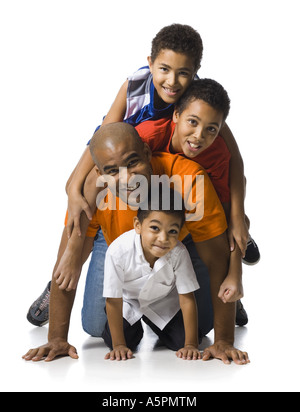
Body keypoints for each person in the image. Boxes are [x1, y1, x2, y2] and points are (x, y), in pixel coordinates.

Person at [27, 23, 246, 329]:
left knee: (224, 232)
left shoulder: (202, 112)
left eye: (183, 72)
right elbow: (102, 137)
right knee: (96, 199)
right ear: (150, 63)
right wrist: (73, 187)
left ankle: (229, 292)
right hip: (128, 171)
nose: (172, 81)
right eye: (164, 69)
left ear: (195, 71)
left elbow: (235, 163)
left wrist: (238, 216)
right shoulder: (138, 100)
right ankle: (57, 283)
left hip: (182, 202)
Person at [23, 122, 249, 365]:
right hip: (113, 239)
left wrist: (224, 339)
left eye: (133, 163)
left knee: (200, 325)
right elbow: (67, 265)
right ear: (100, 175)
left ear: (147, 153)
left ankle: (226, 303)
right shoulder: (93, 189)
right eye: (112, 171)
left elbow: (217, 260)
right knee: (96, 326)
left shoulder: (188, 178)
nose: (127, 179)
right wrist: (57, 337)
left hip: (178, 240)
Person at [102, 186, 201, 361]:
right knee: (121, 342)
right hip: (128, 301)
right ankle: (133, 329)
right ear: (138, 226)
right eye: (155, 228)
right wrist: (118, 345)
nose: (163, 239)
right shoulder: (117, 251)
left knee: (183, 339)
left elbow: (187, 298)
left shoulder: (179, 252)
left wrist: (190, 345)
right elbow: (113, 299)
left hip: (163, 302)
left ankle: (156, 326)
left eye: (172, 231)